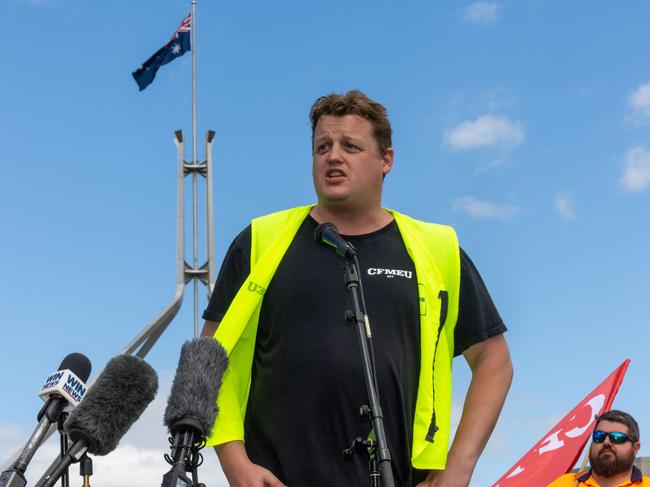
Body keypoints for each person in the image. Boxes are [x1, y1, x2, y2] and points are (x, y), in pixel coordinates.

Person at [201, 90, 513, 486]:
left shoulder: (436, 250)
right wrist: (234, 461)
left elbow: (494, 362)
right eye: (322, 147)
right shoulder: (261, 240)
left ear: (386, 160)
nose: (333, 156)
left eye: (350, 146)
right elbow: (208, 356)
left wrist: (459, 466)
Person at [548, 410, 649, 487]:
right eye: (599, 436)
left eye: (617, 437)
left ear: (635, 448)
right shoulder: (564, 484)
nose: (606, 442)